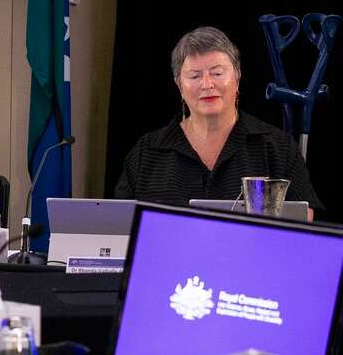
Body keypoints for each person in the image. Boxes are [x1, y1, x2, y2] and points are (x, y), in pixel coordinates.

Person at [115, 26, 321, 215]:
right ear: (179, 85)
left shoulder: (276, 147)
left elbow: (305, 215)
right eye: (195, 76)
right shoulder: (147, 152)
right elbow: (119, 223)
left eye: (217, 73)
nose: (207, 84)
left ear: (237, 77)